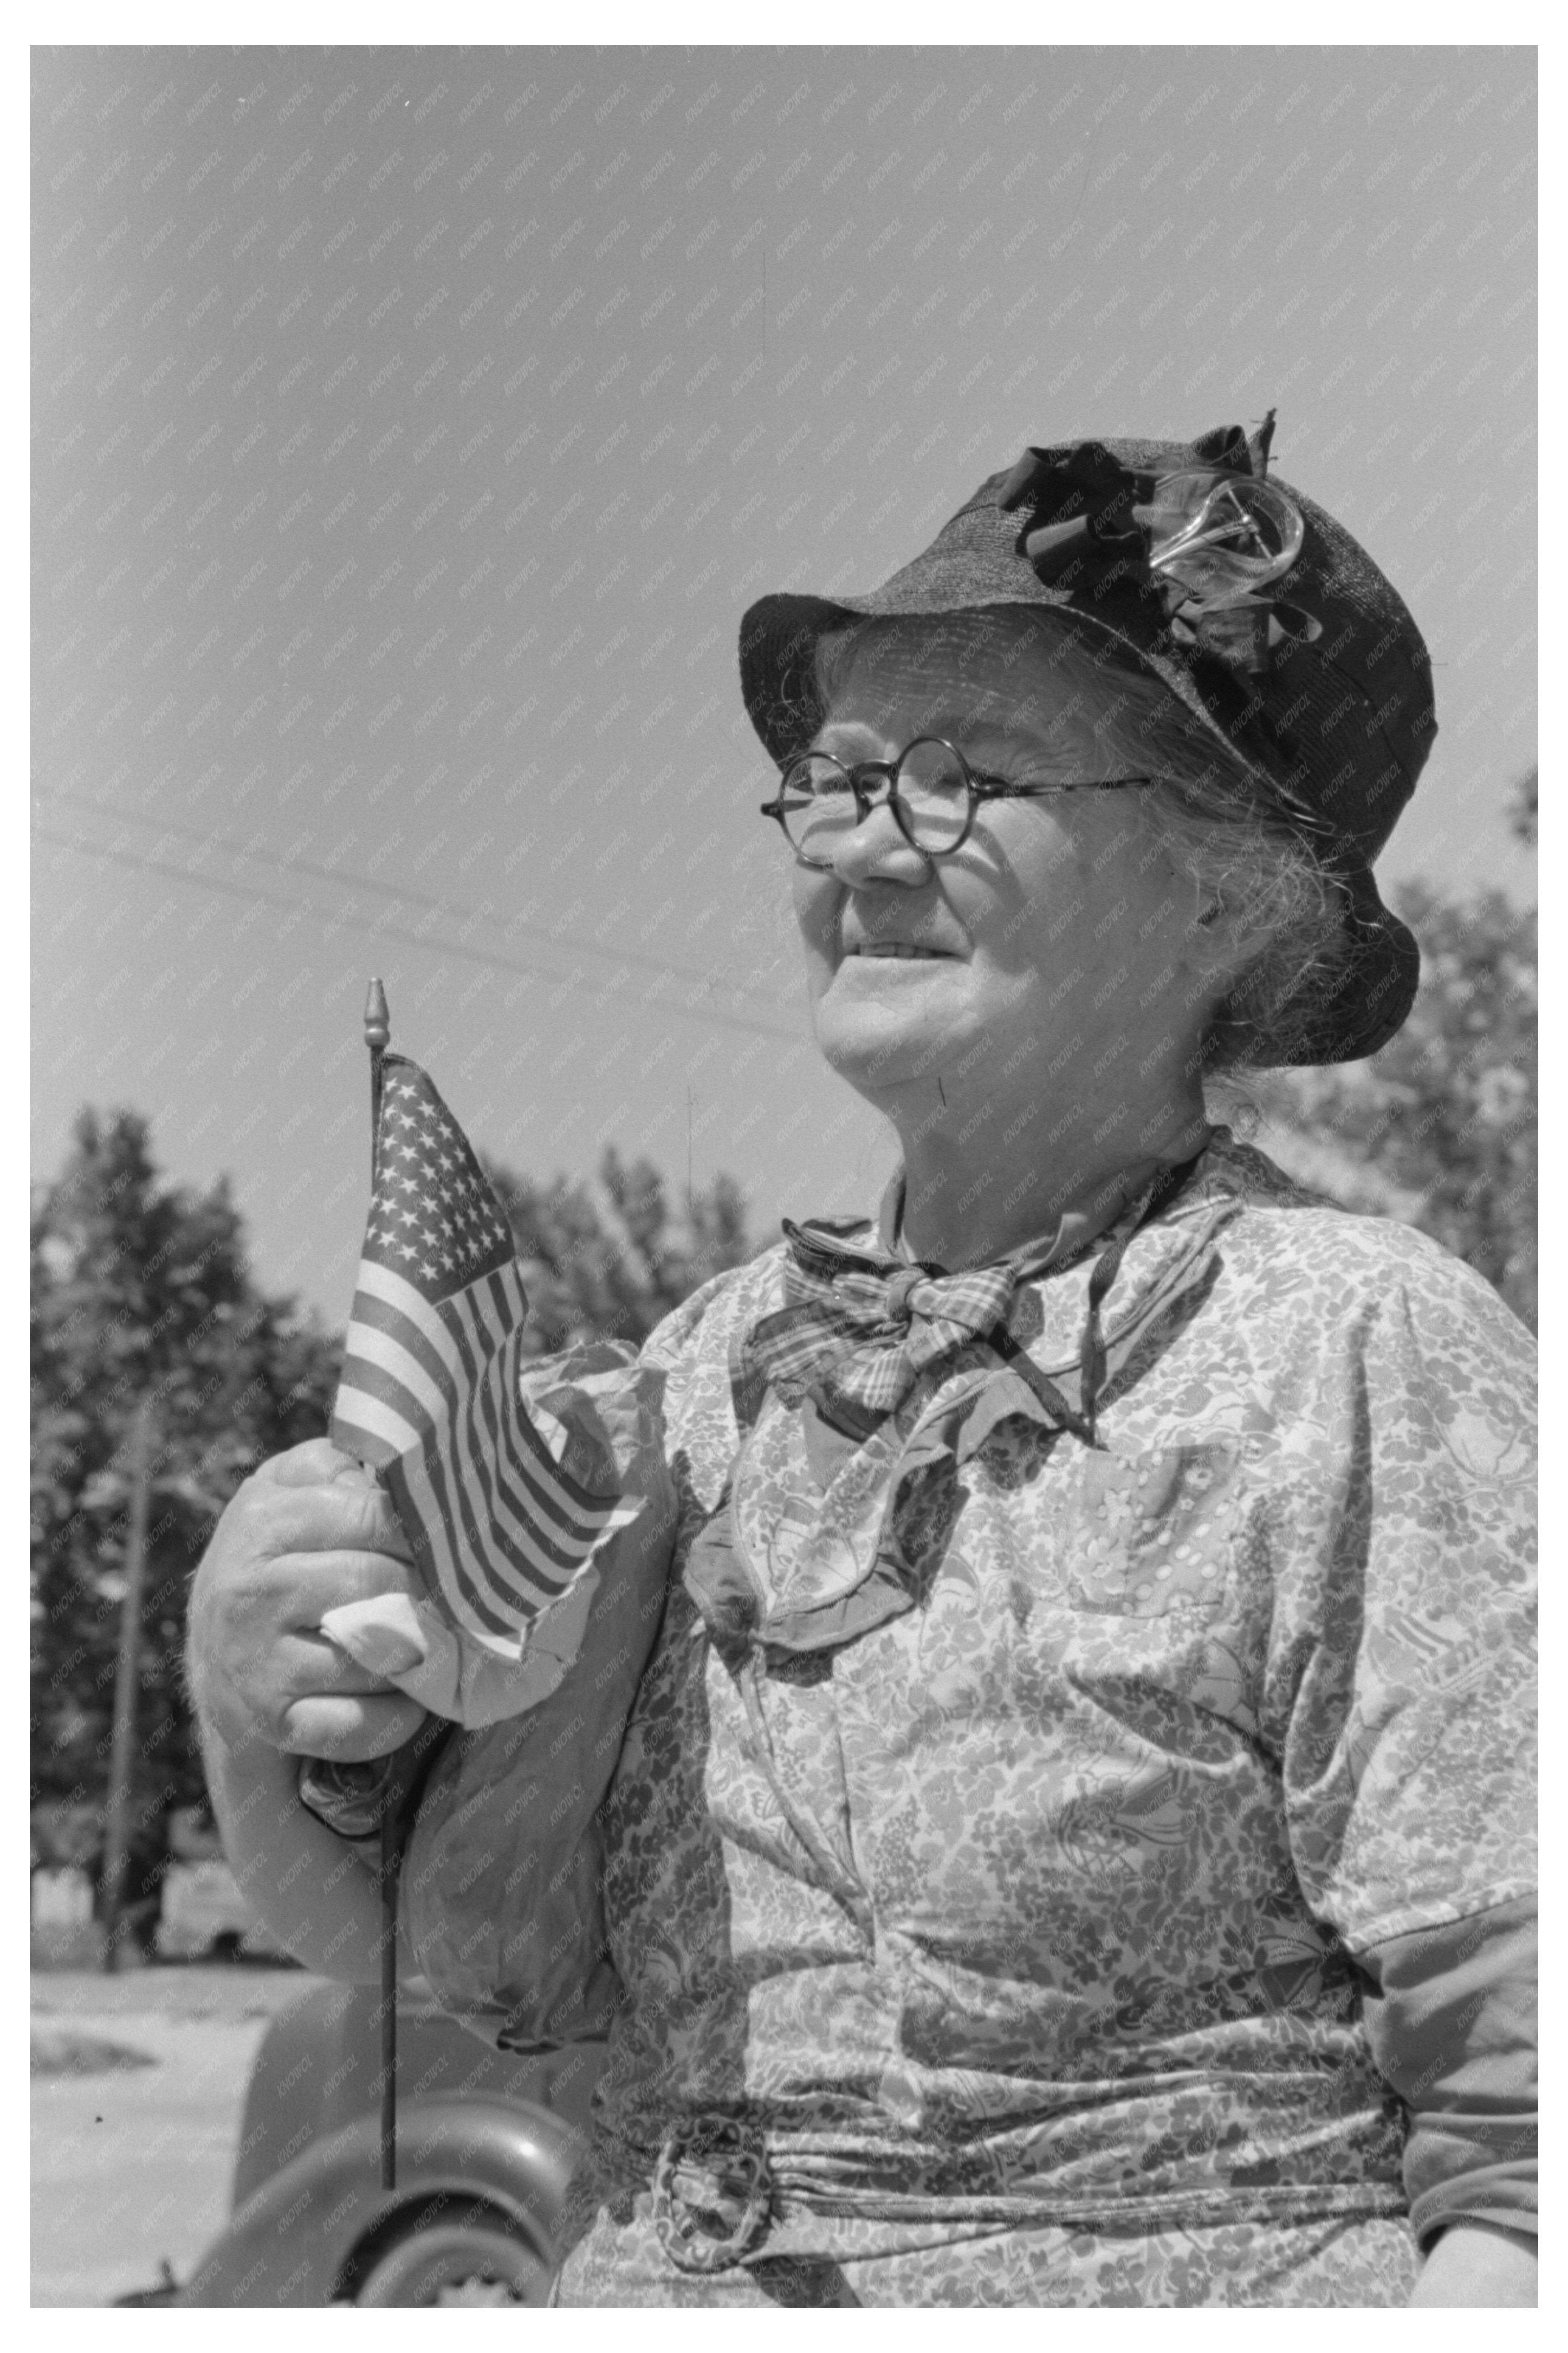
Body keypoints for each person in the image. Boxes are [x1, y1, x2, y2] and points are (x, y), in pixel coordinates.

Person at [187, 417, 1536, 2307]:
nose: (863, 843)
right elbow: (461, 1953)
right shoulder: (702, 1368)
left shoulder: (1353, 1348)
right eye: (829, 783)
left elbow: (1524, 2142)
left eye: (961, 774)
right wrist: (262, 1680)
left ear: (1236, 889)